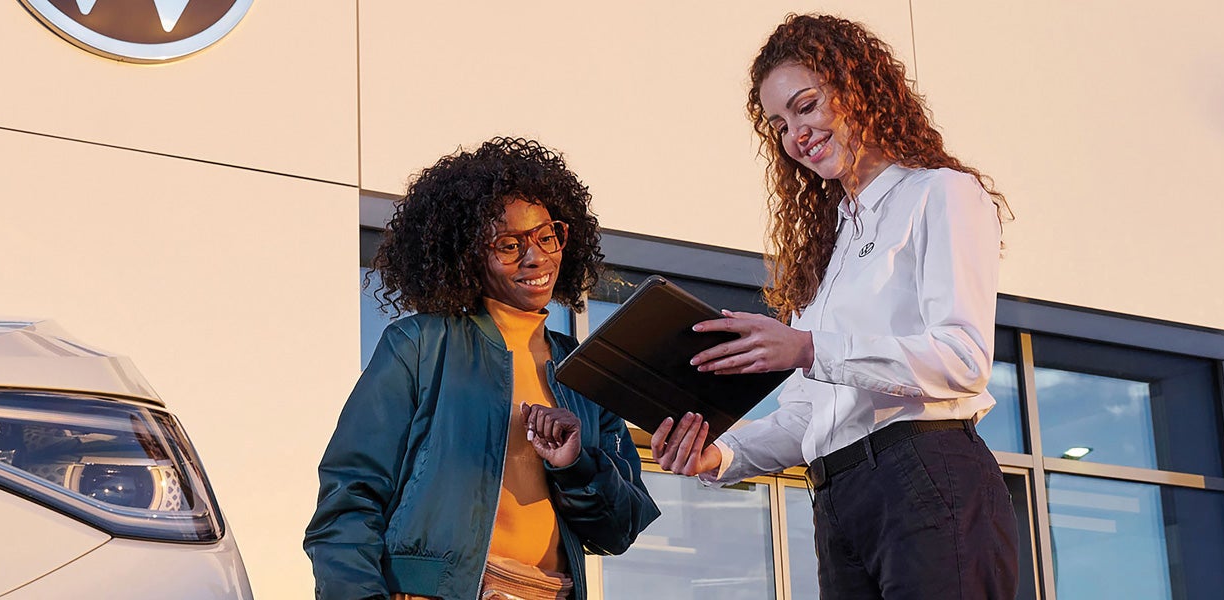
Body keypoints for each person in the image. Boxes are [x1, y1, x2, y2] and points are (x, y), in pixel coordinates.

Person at [649, 14, 1019, 600]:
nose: (796, 133)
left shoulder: (940, 194)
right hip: (837, 499)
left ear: (857, 87)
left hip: (927, 474)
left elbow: (964, 358)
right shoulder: (826, 257)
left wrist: (809, 348)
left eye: (806, 105)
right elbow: (806, 421)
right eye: (779, 124)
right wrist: (719, 457)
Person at [305, 137, 659, 600]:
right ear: (469, 255)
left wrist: (575, 465)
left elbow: (620, 529)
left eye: (547, 236)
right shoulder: (419, 346)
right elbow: (348, 500)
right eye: (509, 244)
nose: (535, 258)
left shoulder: (586, 372)